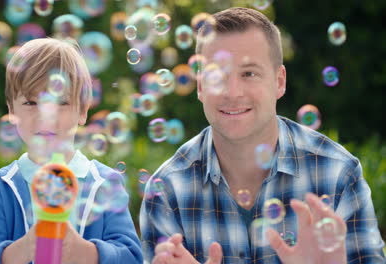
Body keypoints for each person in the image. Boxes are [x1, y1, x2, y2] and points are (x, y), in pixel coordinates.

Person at [140, 7, 385, 264]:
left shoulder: (338, 173)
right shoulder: (166, 190)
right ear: (201, 87)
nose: (232, 92)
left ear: (279, 81)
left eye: (249, 74)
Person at [0, 38, 143, 264]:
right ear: (11, 110)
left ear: (83, 110)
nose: (45, 115)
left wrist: (85, 252)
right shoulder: (3, 187)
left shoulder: (104, 183)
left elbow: (132, 257)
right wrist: (25, 248)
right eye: (31, 102)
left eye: (61, 102)